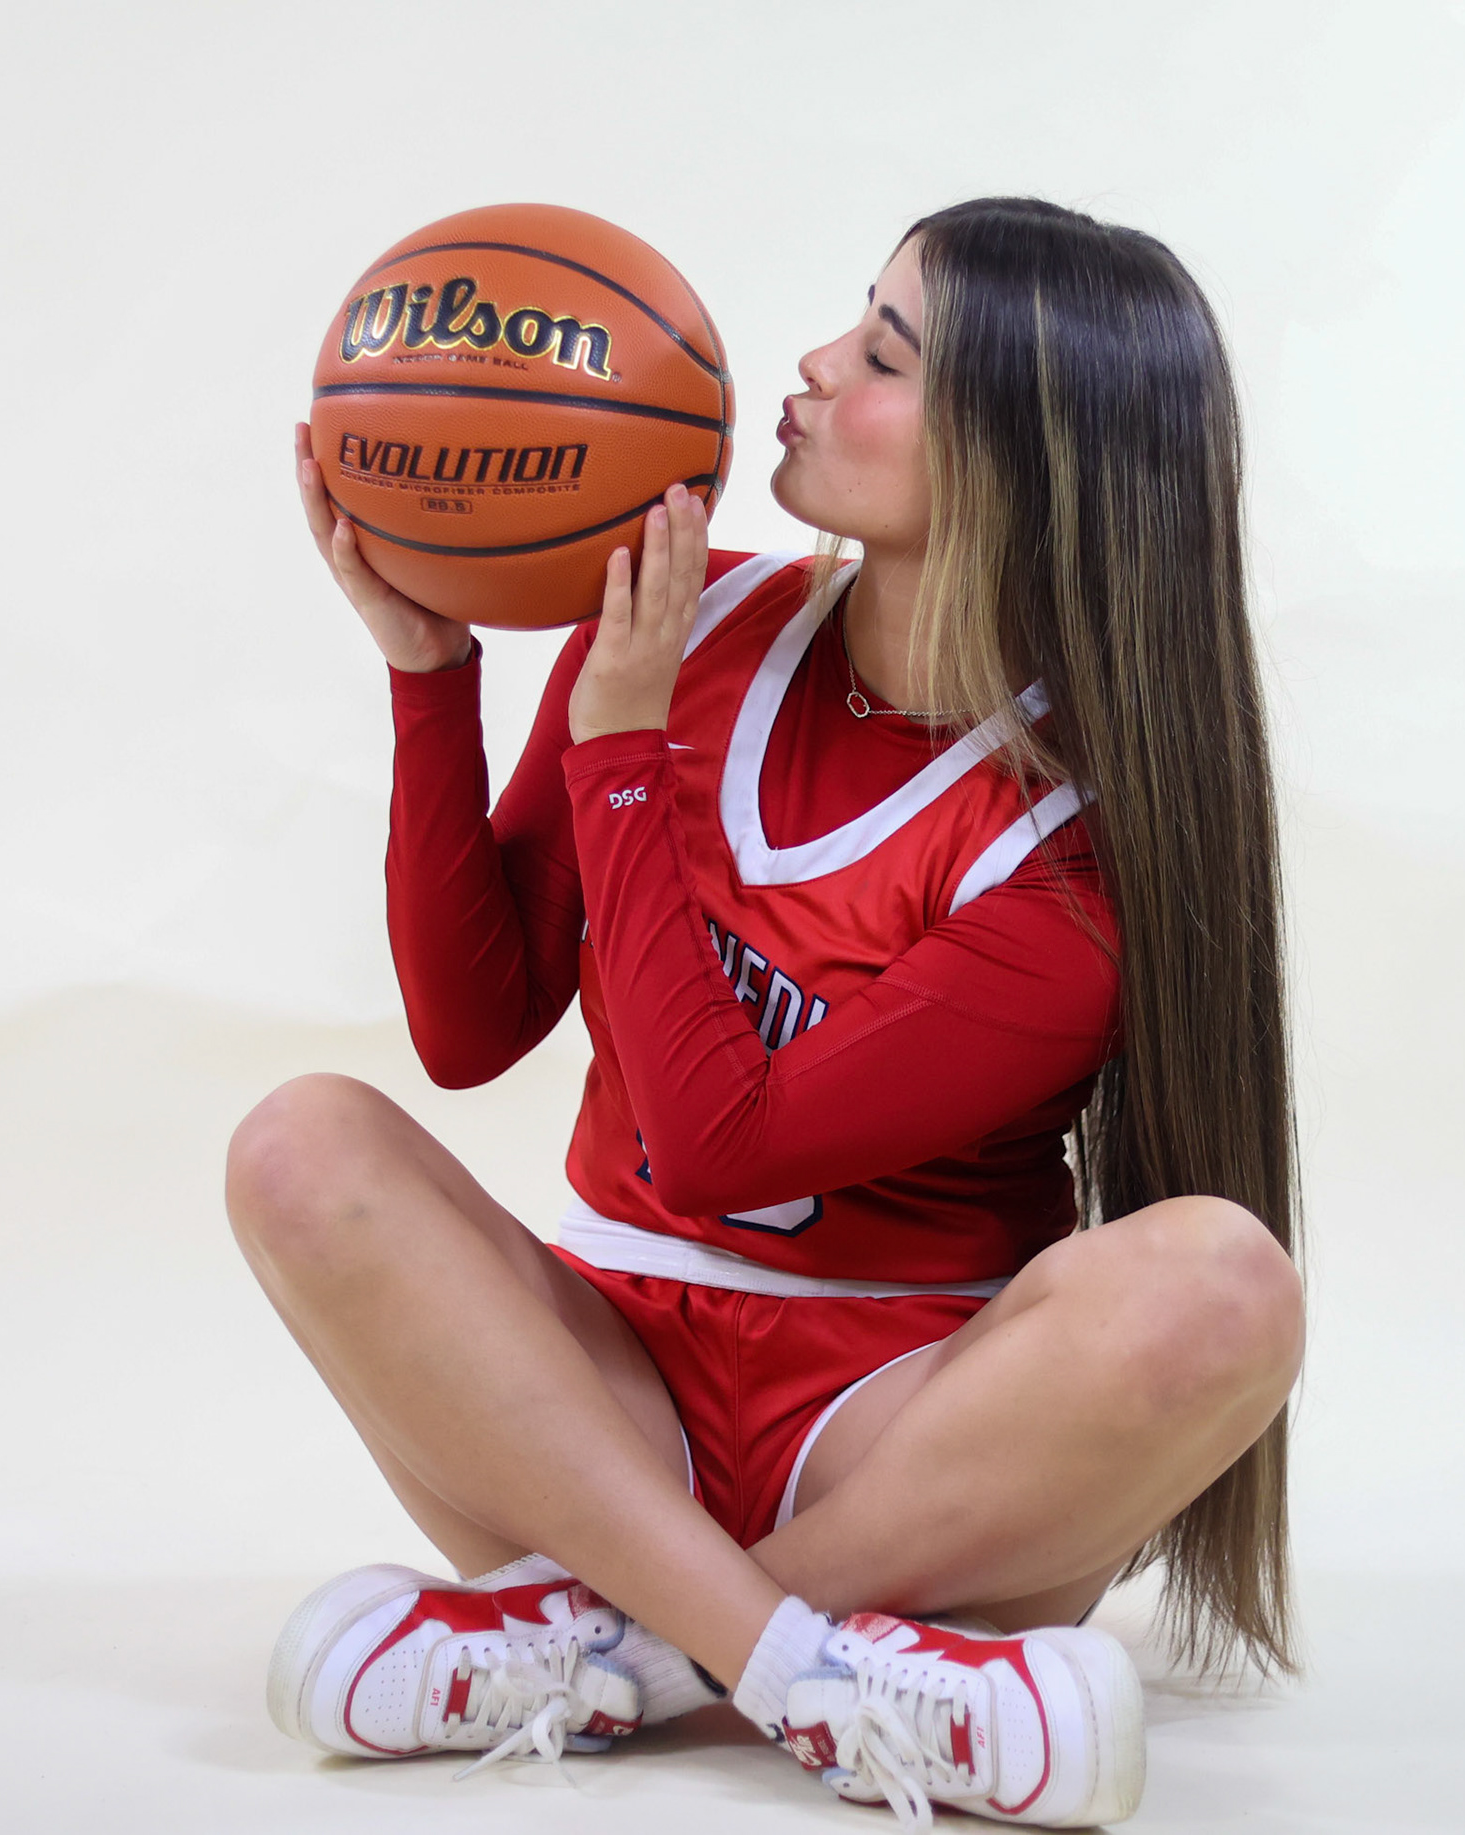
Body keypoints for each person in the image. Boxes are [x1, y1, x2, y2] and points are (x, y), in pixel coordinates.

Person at [227, 195, 1306, 1829]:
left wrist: (619, 749)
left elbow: (724, 1146)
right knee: (300, 1144)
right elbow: (469, 1030)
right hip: (594, 1415)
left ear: (1023, 461)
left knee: (1225, 1283)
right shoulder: (683, 623)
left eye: (882, 351)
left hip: (907, 1460)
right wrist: (430, 669)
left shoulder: (1069, 868)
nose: (806, 364)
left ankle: (617, 1655)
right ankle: (823, 1678)